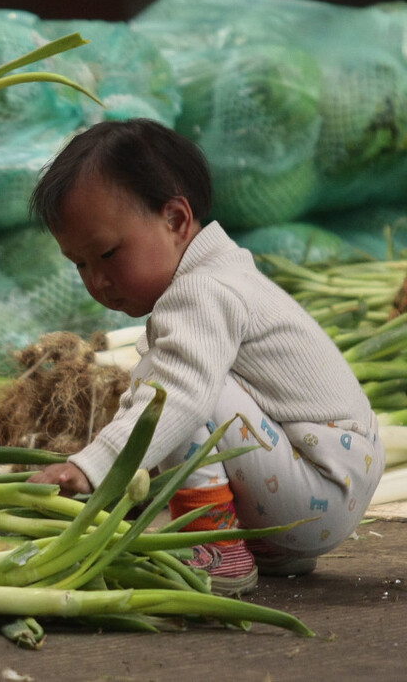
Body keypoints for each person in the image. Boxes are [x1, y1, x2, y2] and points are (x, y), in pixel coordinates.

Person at [26, 118, 385, 595]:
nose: (96, 282)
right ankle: (261, 550)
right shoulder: (220, 277)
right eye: (81, 265)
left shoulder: (203, 290)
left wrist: (91, 467)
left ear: (175, 220)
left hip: (321, 484)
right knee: (167, 380)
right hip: (327, 481)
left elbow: (177, 397)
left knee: (170, 390)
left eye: (108, 254)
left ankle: (214, 546)